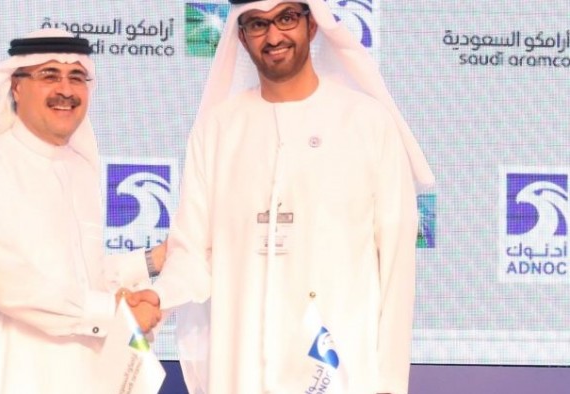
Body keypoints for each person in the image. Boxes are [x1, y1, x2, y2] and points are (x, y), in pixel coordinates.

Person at [149, 1, 435, 393]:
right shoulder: (218, 128)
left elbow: (397, 271)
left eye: (286, 18)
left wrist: (389, 383)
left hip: (341, 371)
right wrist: (155, 298)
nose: (273, 36)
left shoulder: (367, 123)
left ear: (311, 26)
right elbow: (190, 251)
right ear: (241, 36)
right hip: (242, 368)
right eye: (257, 24)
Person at [0, 29, 164, 394]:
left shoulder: (79, 170)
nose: (66, 90)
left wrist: (152, 262)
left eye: (77, 77)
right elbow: (13, 285)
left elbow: (76, 273)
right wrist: (116, 313)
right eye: (49, 76)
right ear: (16, 86)